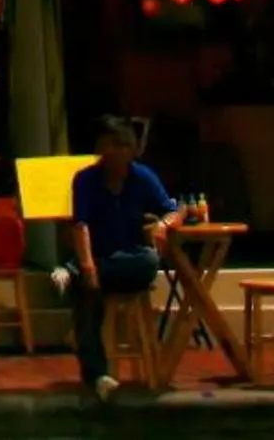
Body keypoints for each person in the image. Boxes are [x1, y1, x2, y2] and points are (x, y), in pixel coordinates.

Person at [49, 118, 179, 400]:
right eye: (111, 145)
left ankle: (69, 272)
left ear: (132, 151)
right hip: (94, 256)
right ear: (101, 149)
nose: (117, 153)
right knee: (87, 292)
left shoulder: (142, 177)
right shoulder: (85, 180)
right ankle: (98, 376)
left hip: (130, 259)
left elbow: (173, 209)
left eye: (123, 146)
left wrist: (164, 225)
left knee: (148, 261)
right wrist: (87, 266)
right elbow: (80, 225)